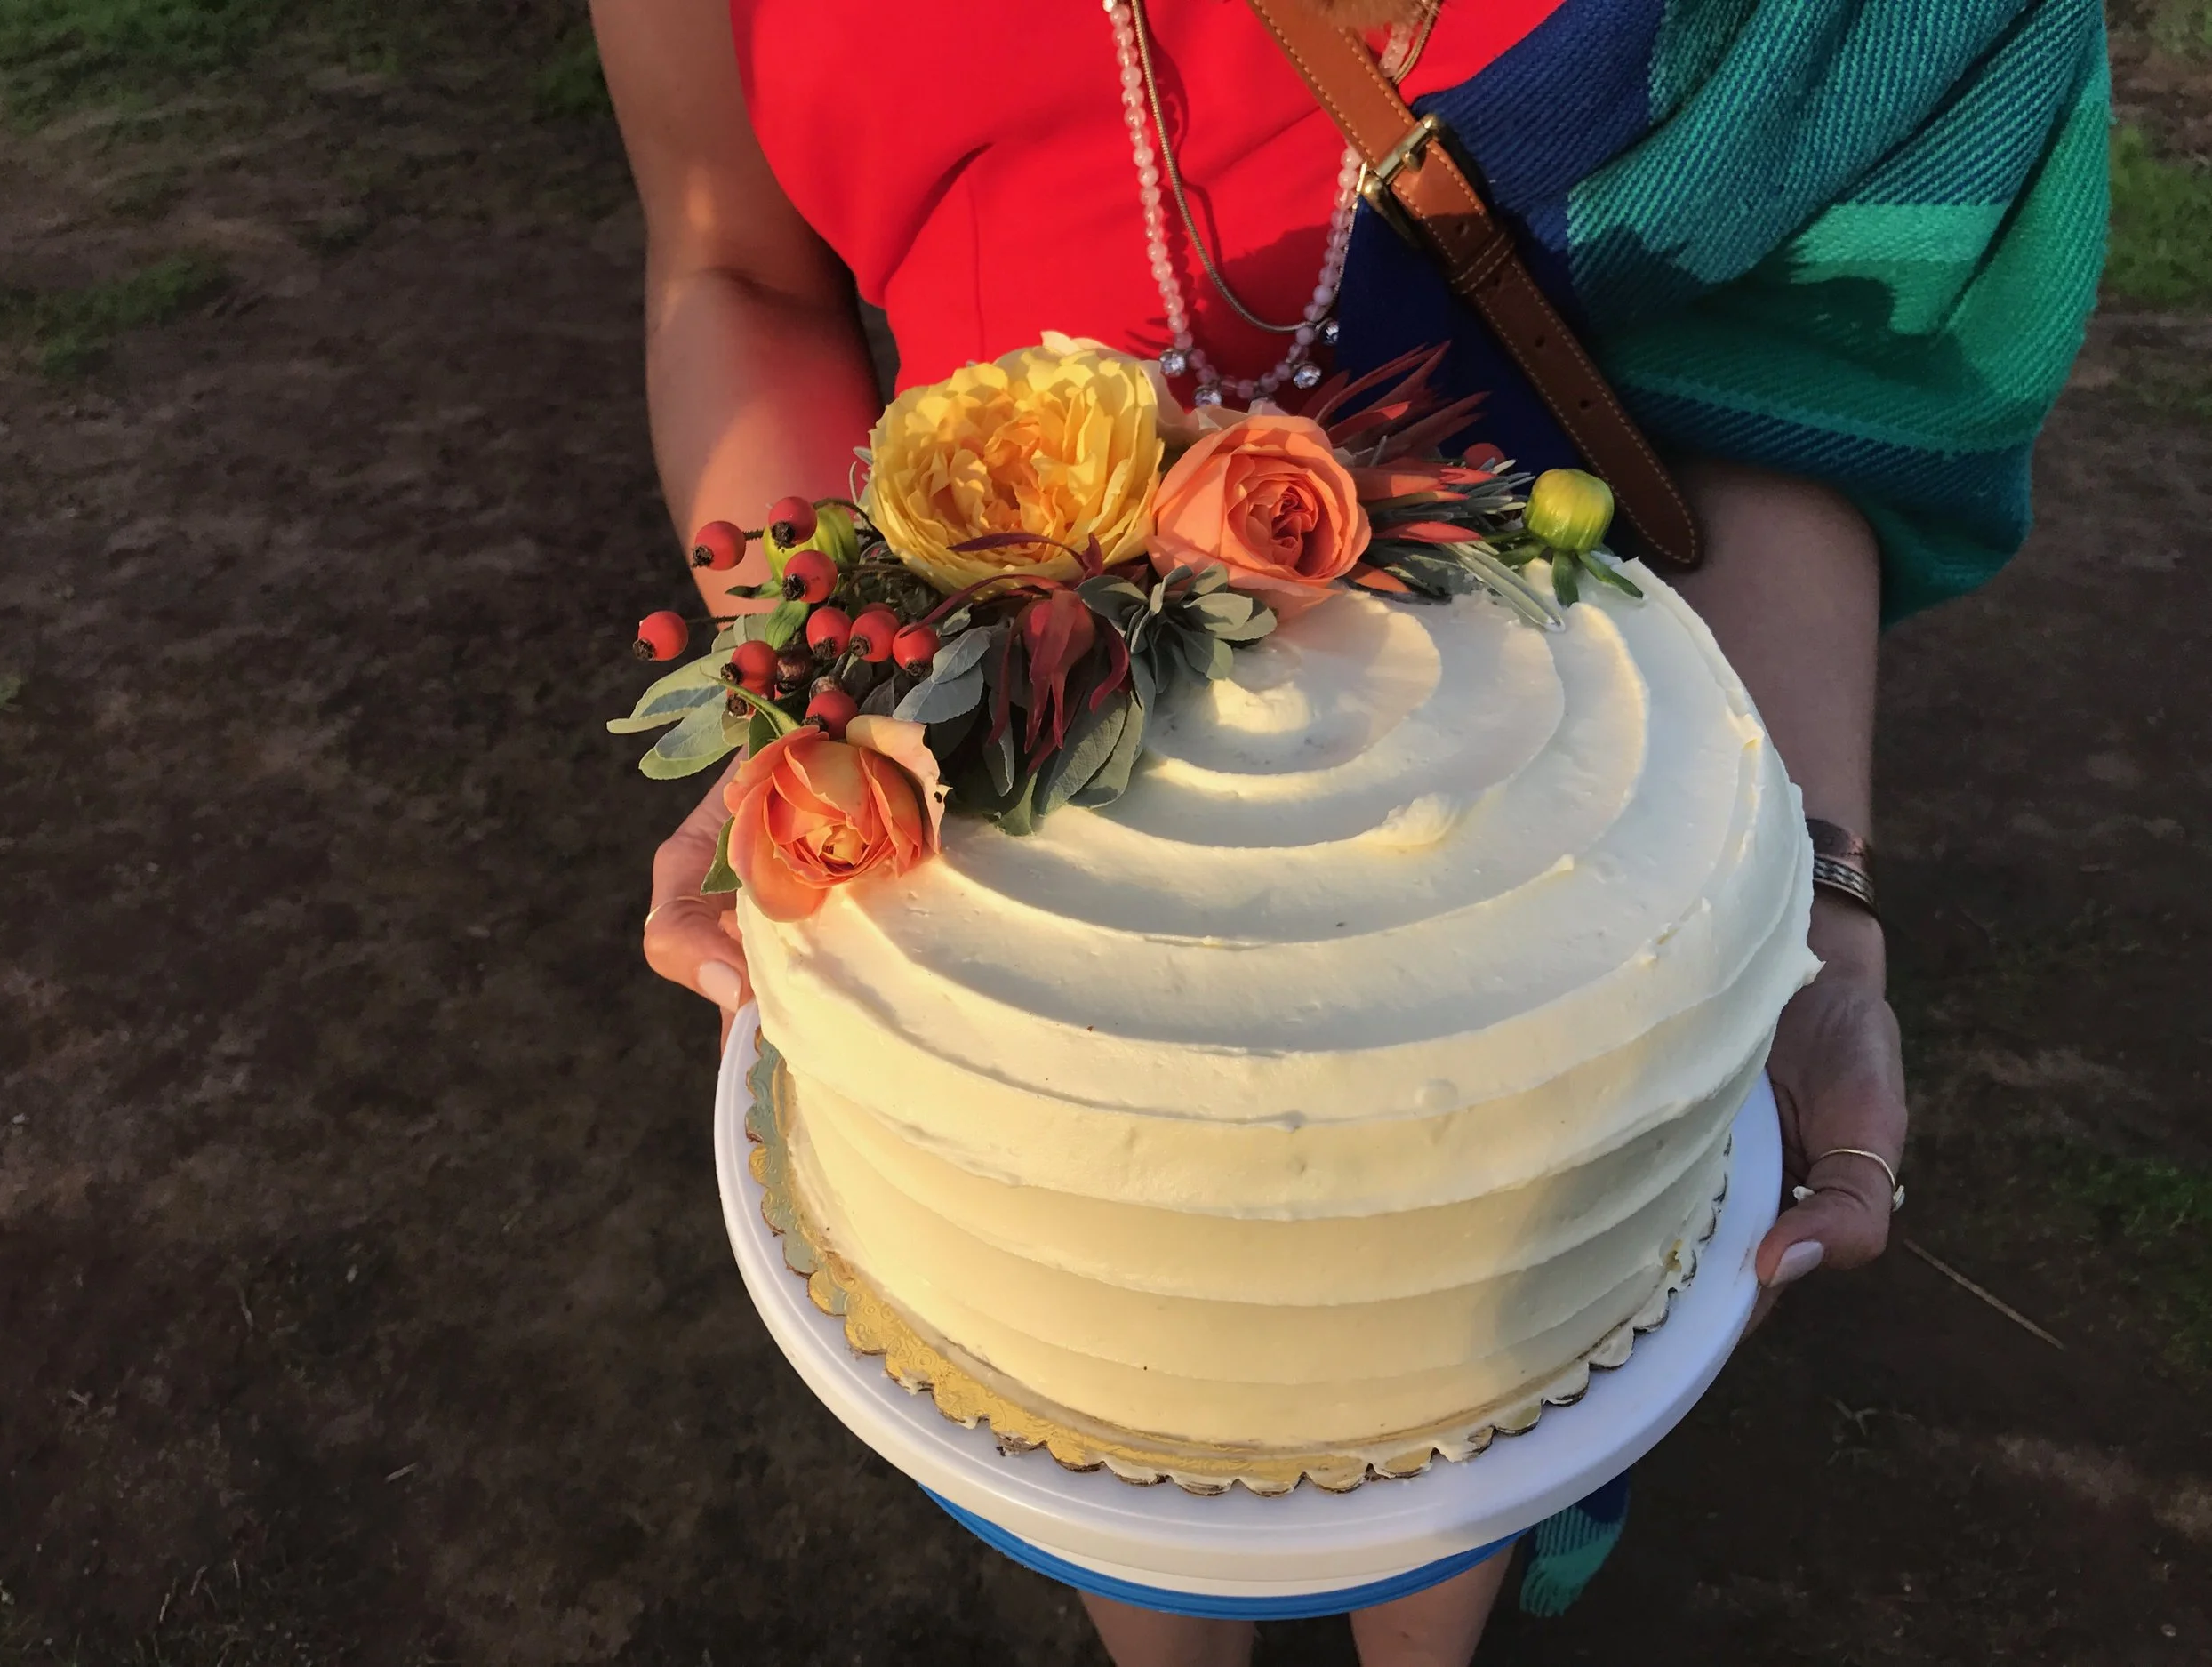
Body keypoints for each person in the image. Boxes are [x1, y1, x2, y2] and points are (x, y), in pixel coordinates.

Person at [597, 1, 2106, 1661]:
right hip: (993, 789)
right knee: (1110, 1349)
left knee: (1442, 1332)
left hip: (1545, 813)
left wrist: (1807, 894)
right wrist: (824, 681)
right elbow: (734, 269)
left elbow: (1815, 343)